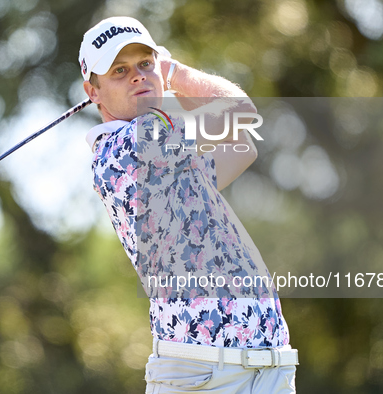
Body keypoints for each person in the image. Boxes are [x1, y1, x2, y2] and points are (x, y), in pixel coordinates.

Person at [79, 16, 298, 393]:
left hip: (263, 370)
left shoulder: (168, 151)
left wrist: (162, 75)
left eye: (145, 64)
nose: (138, 76)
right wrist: (173, 72)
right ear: (92, 91)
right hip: (204, 376)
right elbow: (240, 111)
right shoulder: (126, 148)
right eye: (120, 70)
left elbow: (242, 146)